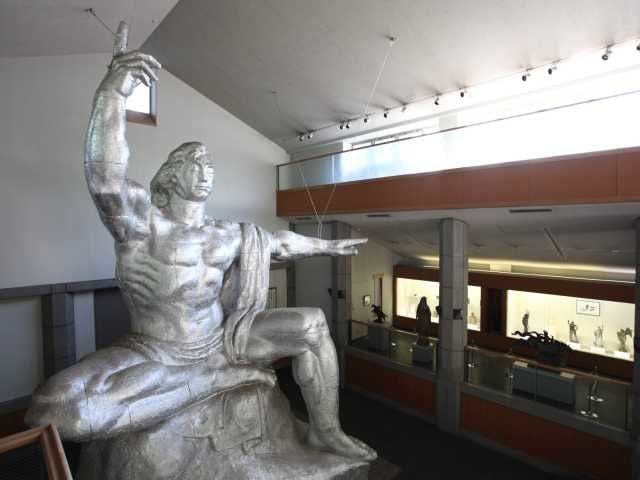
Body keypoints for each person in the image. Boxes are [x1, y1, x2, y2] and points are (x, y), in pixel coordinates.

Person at [26, 49, 375, 461]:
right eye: (197, 162)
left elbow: (279, 242)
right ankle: (208, 382)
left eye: (210, 164)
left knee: (312, 325)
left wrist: (328, 246)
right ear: (172, 175)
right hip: (158, 352)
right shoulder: (143, 225)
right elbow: (105, 176)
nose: (208, 169)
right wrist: (113, 94)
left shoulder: (225, 234)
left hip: (224, 342)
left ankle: (326, 432)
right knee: (58, 407)